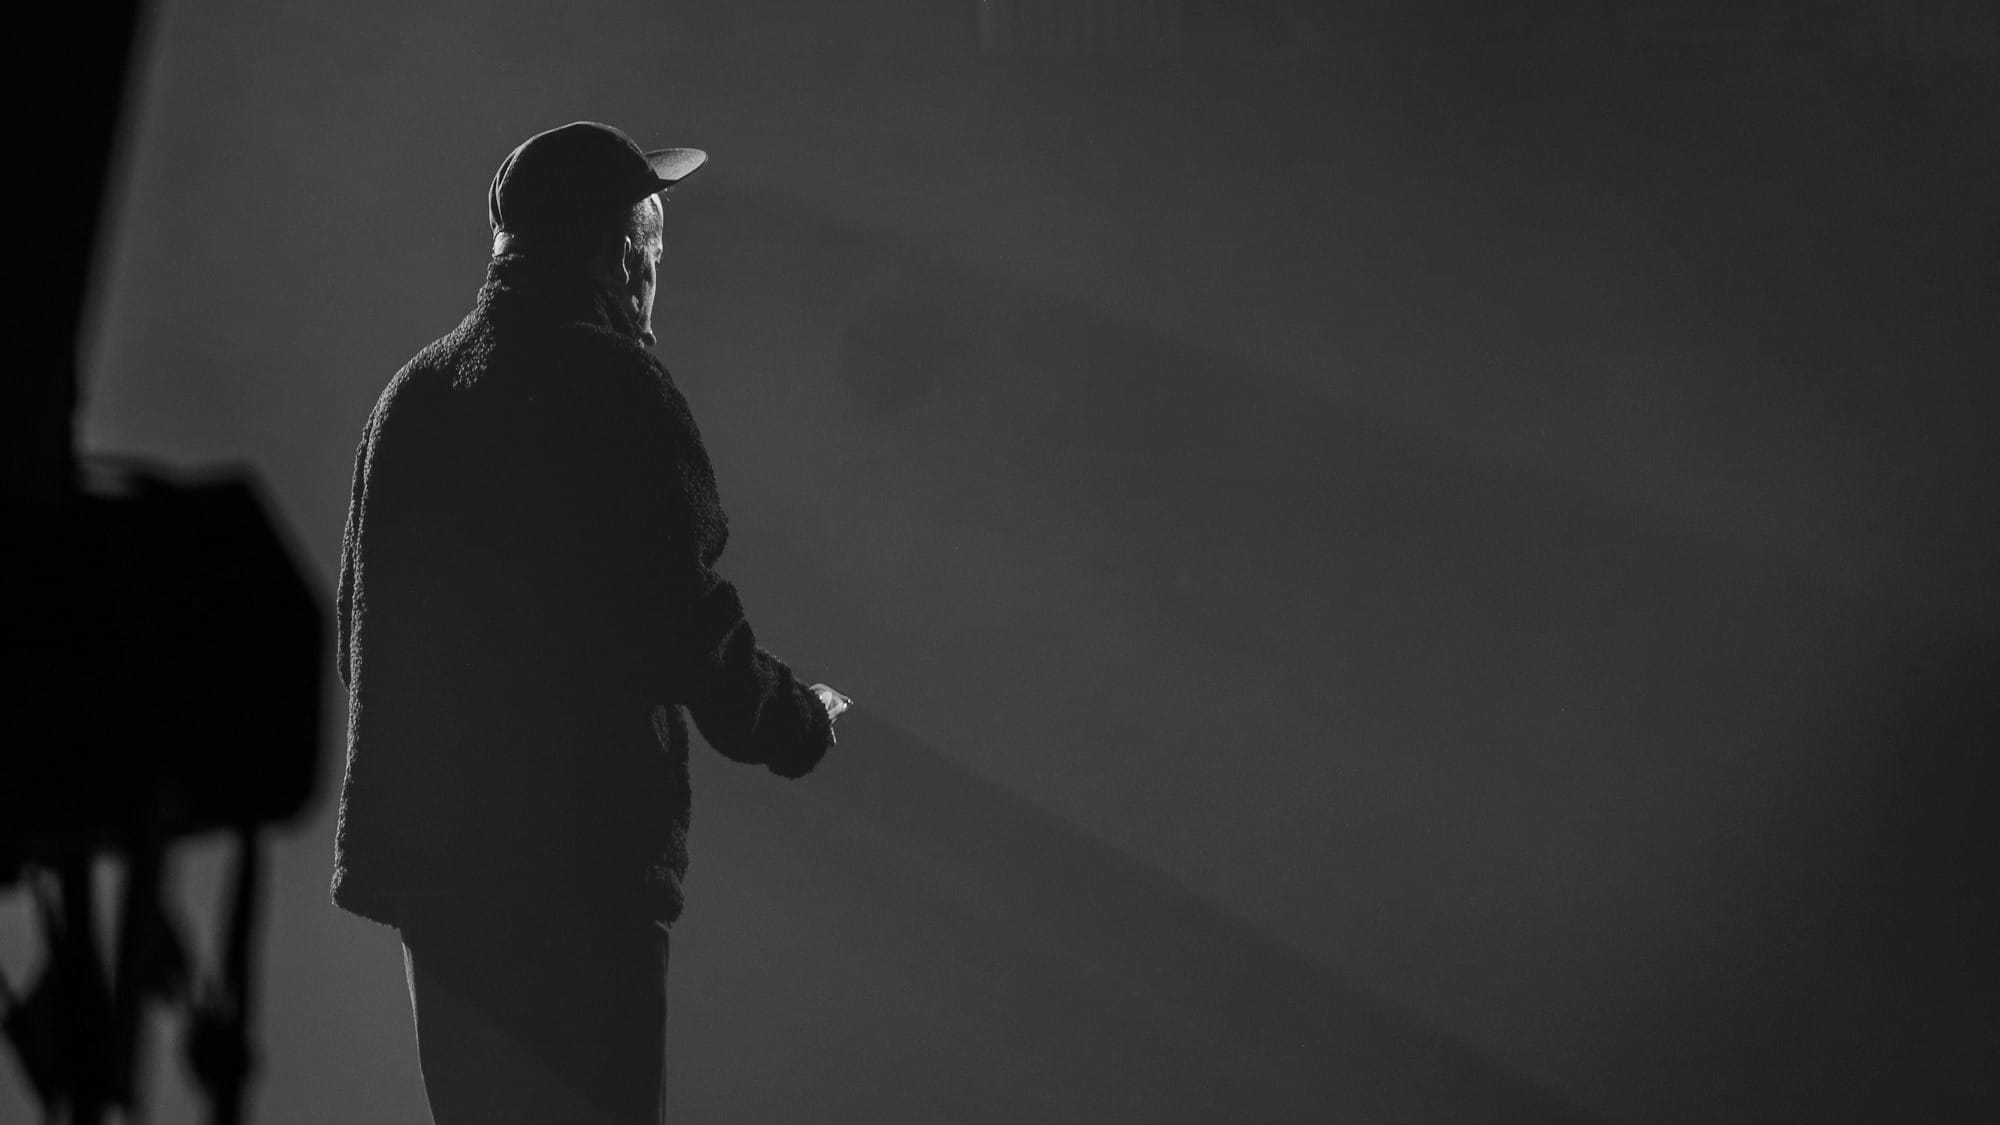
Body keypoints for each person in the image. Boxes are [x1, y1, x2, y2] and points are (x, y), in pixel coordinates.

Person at [329, 121, 851, 1124]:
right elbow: (682, 618)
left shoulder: (413, 397)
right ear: (621, 254)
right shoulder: (618, 385)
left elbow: (360, 626)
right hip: (580, 877)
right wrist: (792, 719)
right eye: (653, 250)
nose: (656, 277)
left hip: (440, 883)